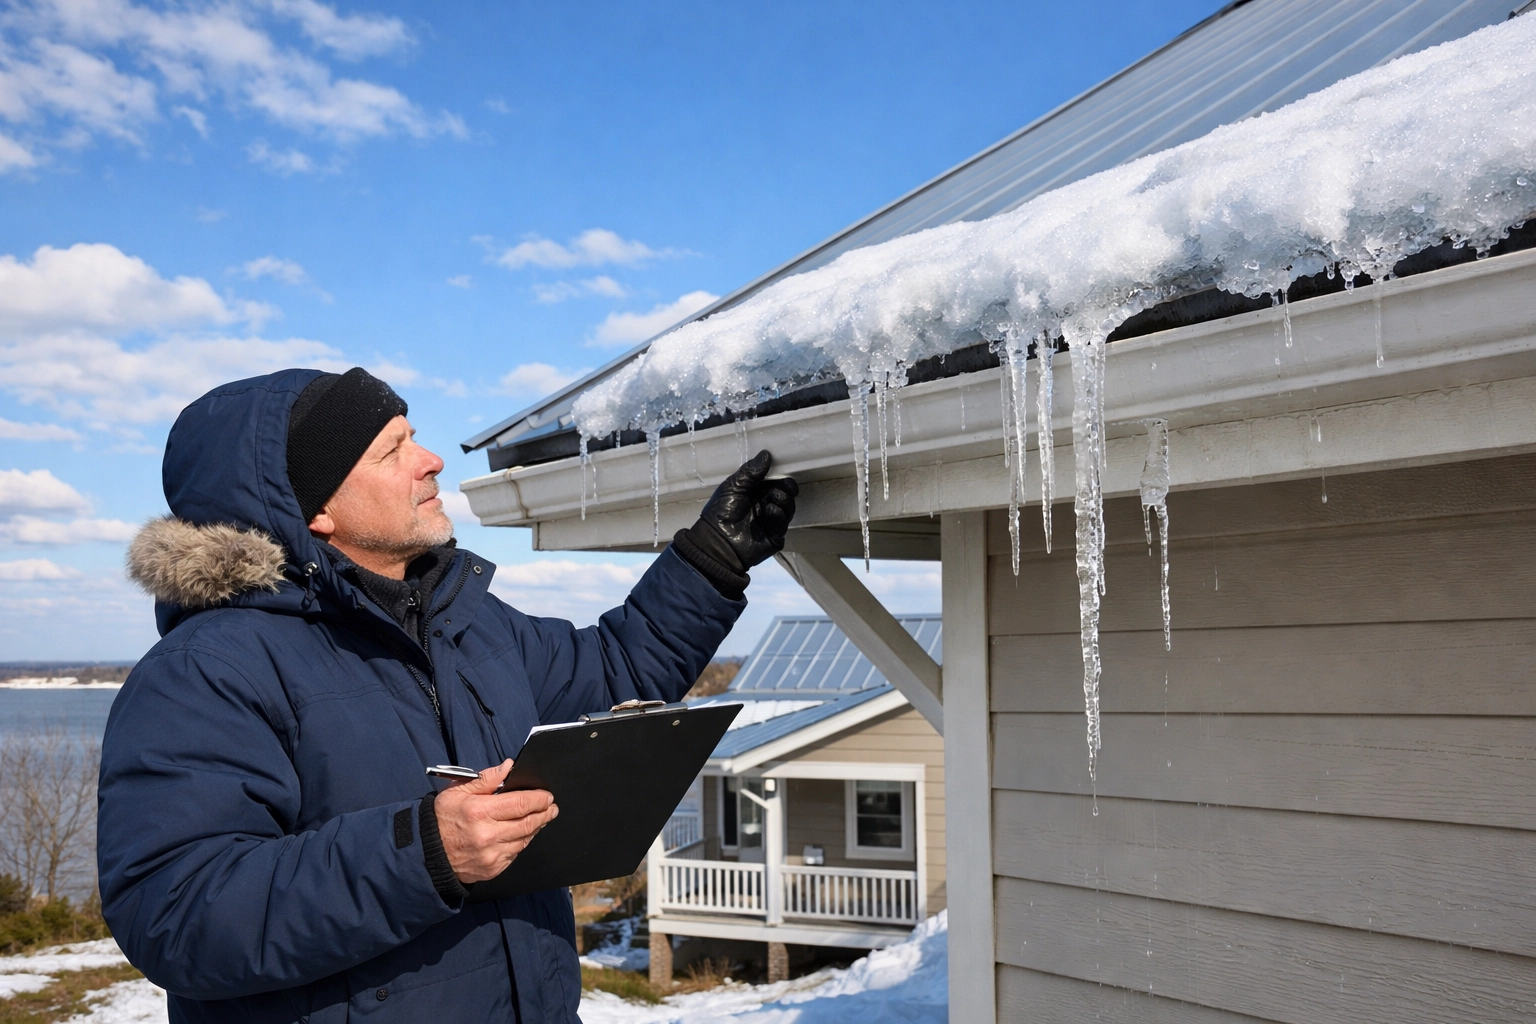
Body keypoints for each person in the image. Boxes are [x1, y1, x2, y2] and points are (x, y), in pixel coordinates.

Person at [98, 367, 798, 1024]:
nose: (430, 459)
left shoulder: (465, 623)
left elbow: (613, 673)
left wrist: (713, 558)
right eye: (392, 449)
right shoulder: (207, 671)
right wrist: (423, 852)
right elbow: (177, 914)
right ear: (316, 511)